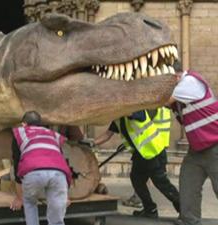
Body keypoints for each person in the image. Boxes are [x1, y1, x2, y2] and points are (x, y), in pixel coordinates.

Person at [92, 110, 180, 218]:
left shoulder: (138, 111)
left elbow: (130, 113)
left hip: (153, 152)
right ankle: (150, 209)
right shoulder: (118, 120)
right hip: (140, 155)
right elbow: (107, 135)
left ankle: (184, 210)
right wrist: (91, 143)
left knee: (162, 184)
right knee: (136, 179)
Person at [167, 63, 218, 225]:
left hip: (215, 147)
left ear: (174, 76)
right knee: (188, 185)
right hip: (196, 150)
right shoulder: (180, 96)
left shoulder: (189, 82)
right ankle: (190, 221)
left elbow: (162, 99)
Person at [10, 111, 72, 225]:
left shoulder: (20, 133)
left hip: (33, 172)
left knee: (29, 202)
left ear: (24, 124)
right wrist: (65, 196)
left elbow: (17, 164)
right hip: (58, 174)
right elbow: (61, 161)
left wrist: (19, 197)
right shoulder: (52, 134)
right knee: (57, 218)